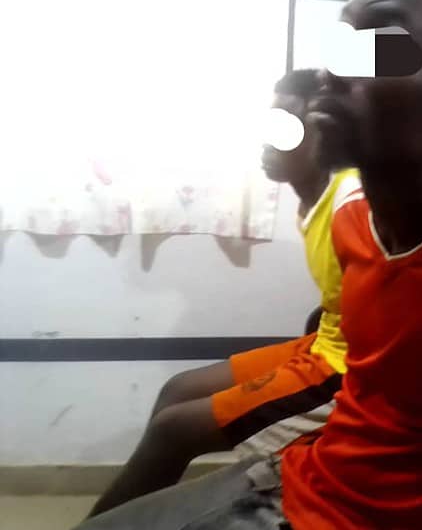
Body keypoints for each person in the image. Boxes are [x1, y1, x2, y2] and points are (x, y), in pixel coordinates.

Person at [79, 0, 422, 528]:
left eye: (379, 50)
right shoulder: (354, 220)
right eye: (341, 45)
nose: (331, 74)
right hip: (305, 479)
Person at [87, 69, 361, 517]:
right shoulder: (312, 197)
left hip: (345, 363)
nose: (267, 142)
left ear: (321, 133)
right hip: (325, 341)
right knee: (178, 391)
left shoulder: (351, 202)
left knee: (175, 430)